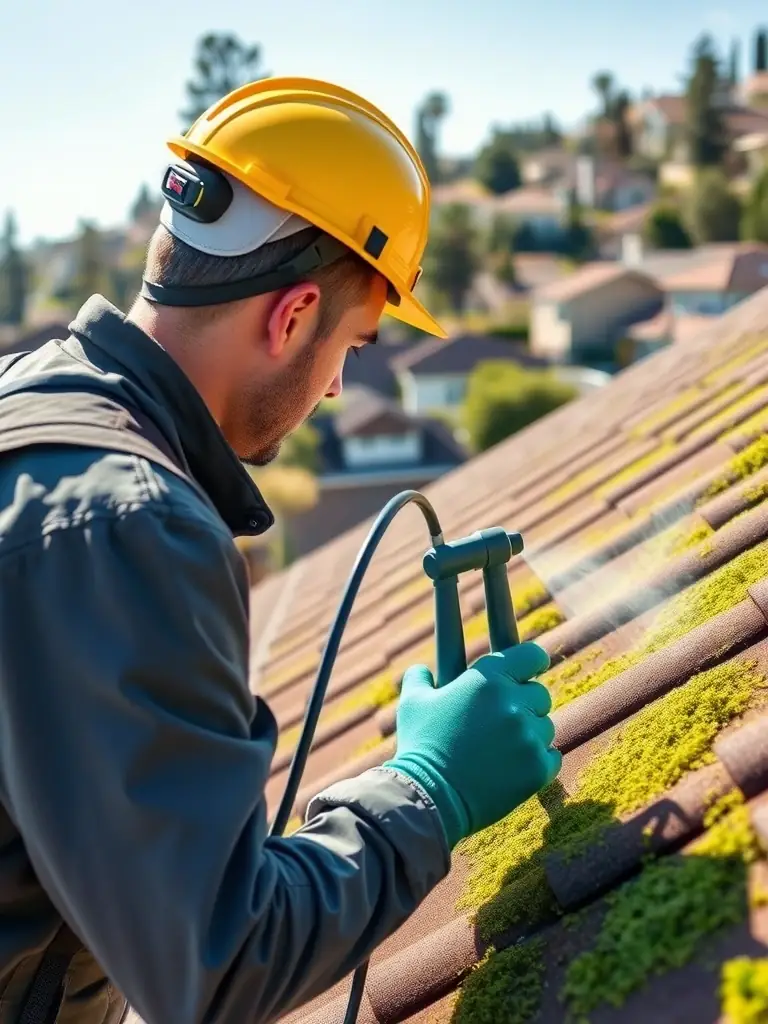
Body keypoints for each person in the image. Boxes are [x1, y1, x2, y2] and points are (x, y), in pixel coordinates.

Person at [0, 77, 561, 1024]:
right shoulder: (124, 525)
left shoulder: (30, 408)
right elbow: (216, 963)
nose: (339, 387)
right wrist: (427, 790)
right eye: (353, 342)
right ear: (293, 315)